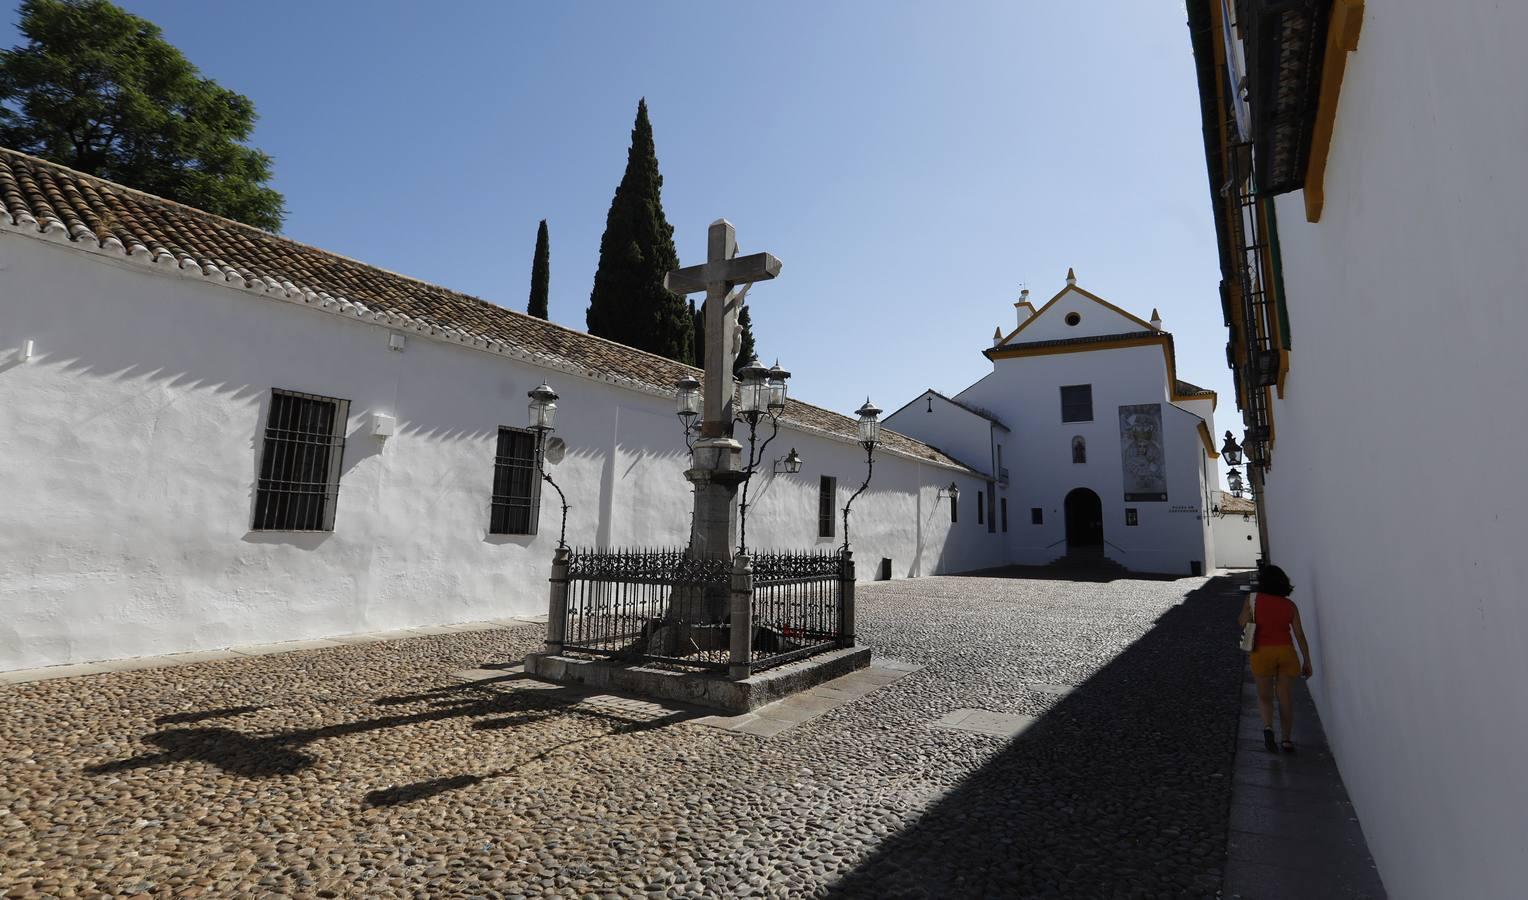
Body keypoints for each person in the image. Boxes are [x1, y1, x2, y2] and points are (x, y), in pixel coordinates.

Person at [1237, 565, 1312, 753]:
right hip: (1286, 653)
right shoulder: (1290, 606)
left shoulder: (1253, 599)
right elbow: (1300, 635)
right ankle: (1286, 740)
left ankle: (1268, 727)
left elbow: (1241, 622)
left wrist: (1250, 612)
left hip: (1262, 652)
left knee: (1264, 697)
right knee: (1285, 698)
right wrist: (1307, 660)